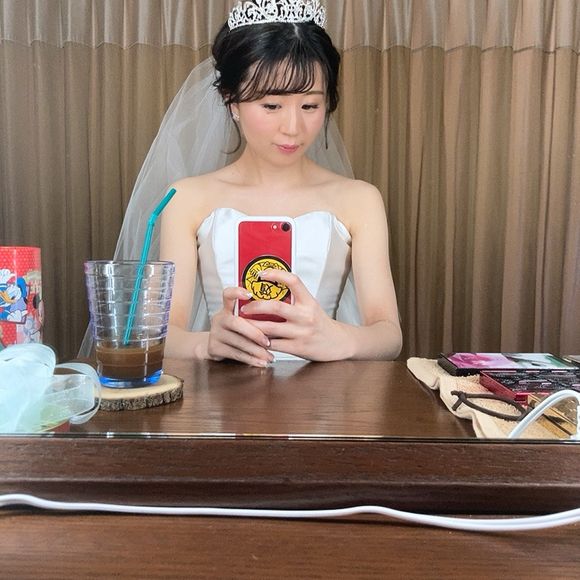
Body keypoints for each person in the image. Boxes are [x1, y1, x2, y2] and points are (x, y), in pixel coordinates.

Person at [108, 0, 402, 366]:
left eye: (310, 106)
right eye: (271, 106)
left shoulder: (360, 199)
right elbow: (164, 333)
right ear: (231, 100)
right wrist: (207, 344)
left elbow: (389, 335)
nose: (292, 127)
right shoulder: (186, 198)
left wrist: (339, 338)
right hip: (220, 394)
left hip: (324, 395)